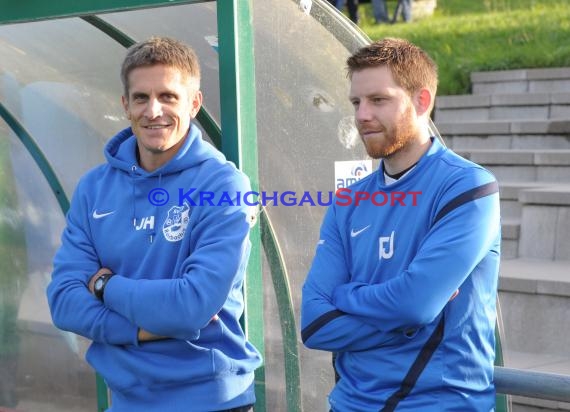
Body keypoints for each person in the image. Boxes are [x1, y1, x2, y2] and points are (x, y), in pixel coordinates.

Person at [47, 37, 262, 412]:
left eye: (168, 96)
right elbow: (64, 302)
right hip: (127, 400)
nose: (154, 110)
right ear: (125, 104)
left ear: (194, 103)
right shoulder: (94, 188)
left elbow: (191, 307)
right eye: (141, 98)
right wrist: (140, 330)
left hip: (210, 399)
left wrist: (103, 284)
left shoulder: (225, 186)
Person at [301, 38, 501, 411]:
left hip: (440, 404)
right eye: (356, 102)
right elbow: (314, 324)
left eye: (378, 100)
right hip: (348, 403)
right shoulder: (348, 201)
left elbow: (415, 304)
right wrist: (405, 315)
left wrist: (346, 296)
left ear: (422, 102)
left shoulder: (469, 188)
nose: (361, 115)